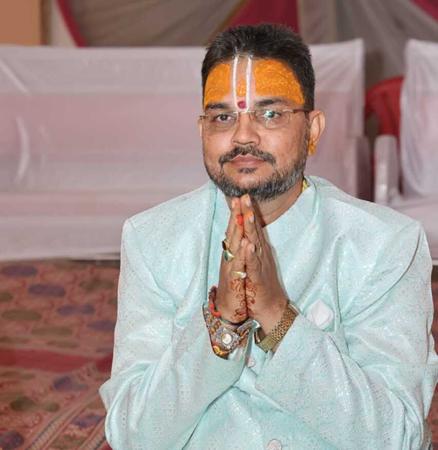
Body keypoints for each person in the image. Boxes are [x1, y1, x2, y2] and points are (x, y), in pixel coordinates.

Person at [100, 24, 438, 449]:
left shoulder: (383, 245)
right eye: (223, 117)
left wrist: (279, 318)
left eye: (270, 114)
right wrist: (223, 324)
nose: (243, 136)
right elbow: (133, 436)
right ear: (202, 131)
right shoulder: (153, 240)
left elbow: (397, 437)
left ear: (312, 130)